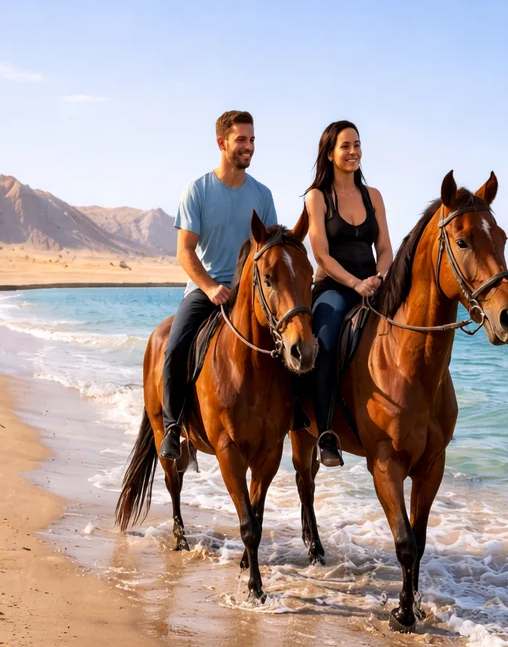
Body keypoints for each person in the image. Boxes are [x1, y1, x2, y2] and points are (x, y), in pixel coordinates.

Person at [159, 110, 278, 460]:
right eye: (241, 139)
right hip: (205, 290)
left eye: (252, 140)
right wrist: (211, 287)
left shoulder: (262, 194)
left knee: (293, 339)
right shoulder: (198, 191)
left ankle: (298, 417)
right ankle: (172, 426)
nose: (248, 146)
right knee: (175, 347)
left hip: (250, 293)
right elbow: (184, 251)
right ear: (221, 143)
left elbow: (269, 248)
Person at [303, 120, 392, 467]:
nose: (353, 151)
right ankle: (326, 433)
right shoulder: (317, 197)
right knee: (323, 344)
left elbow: (384, 248)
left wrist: (380, 278)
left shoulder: (374, 196)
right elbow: (321, 255)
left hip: (374, 286)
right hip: (334, 288)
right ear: (329, 153)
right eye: (345, 146)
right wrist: (355, 284)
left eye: (357, 144)